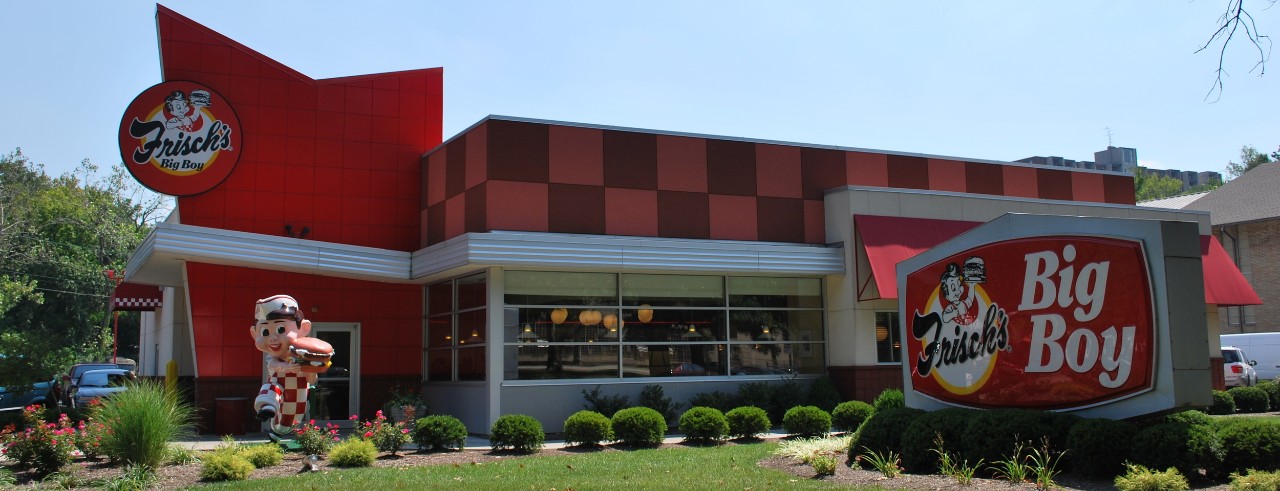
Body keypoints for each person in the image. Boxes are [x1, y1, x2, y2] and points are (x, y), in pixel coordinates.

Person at [250, 294, 315, 436]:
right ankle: (267, 407)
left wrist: (310, 368)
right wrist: (287, 367)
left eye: (280, 329)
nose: (272, 338)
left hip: (299, 392)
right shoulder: (274, 357)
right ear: (255, 334)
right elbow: (273, 365)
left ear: (303, 328)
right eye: (265, 331)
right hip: (278, 384)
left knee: (288, 422)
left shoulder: (303, 354)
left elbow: (311, 379)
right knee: (271, 388)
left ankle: (278, 431)